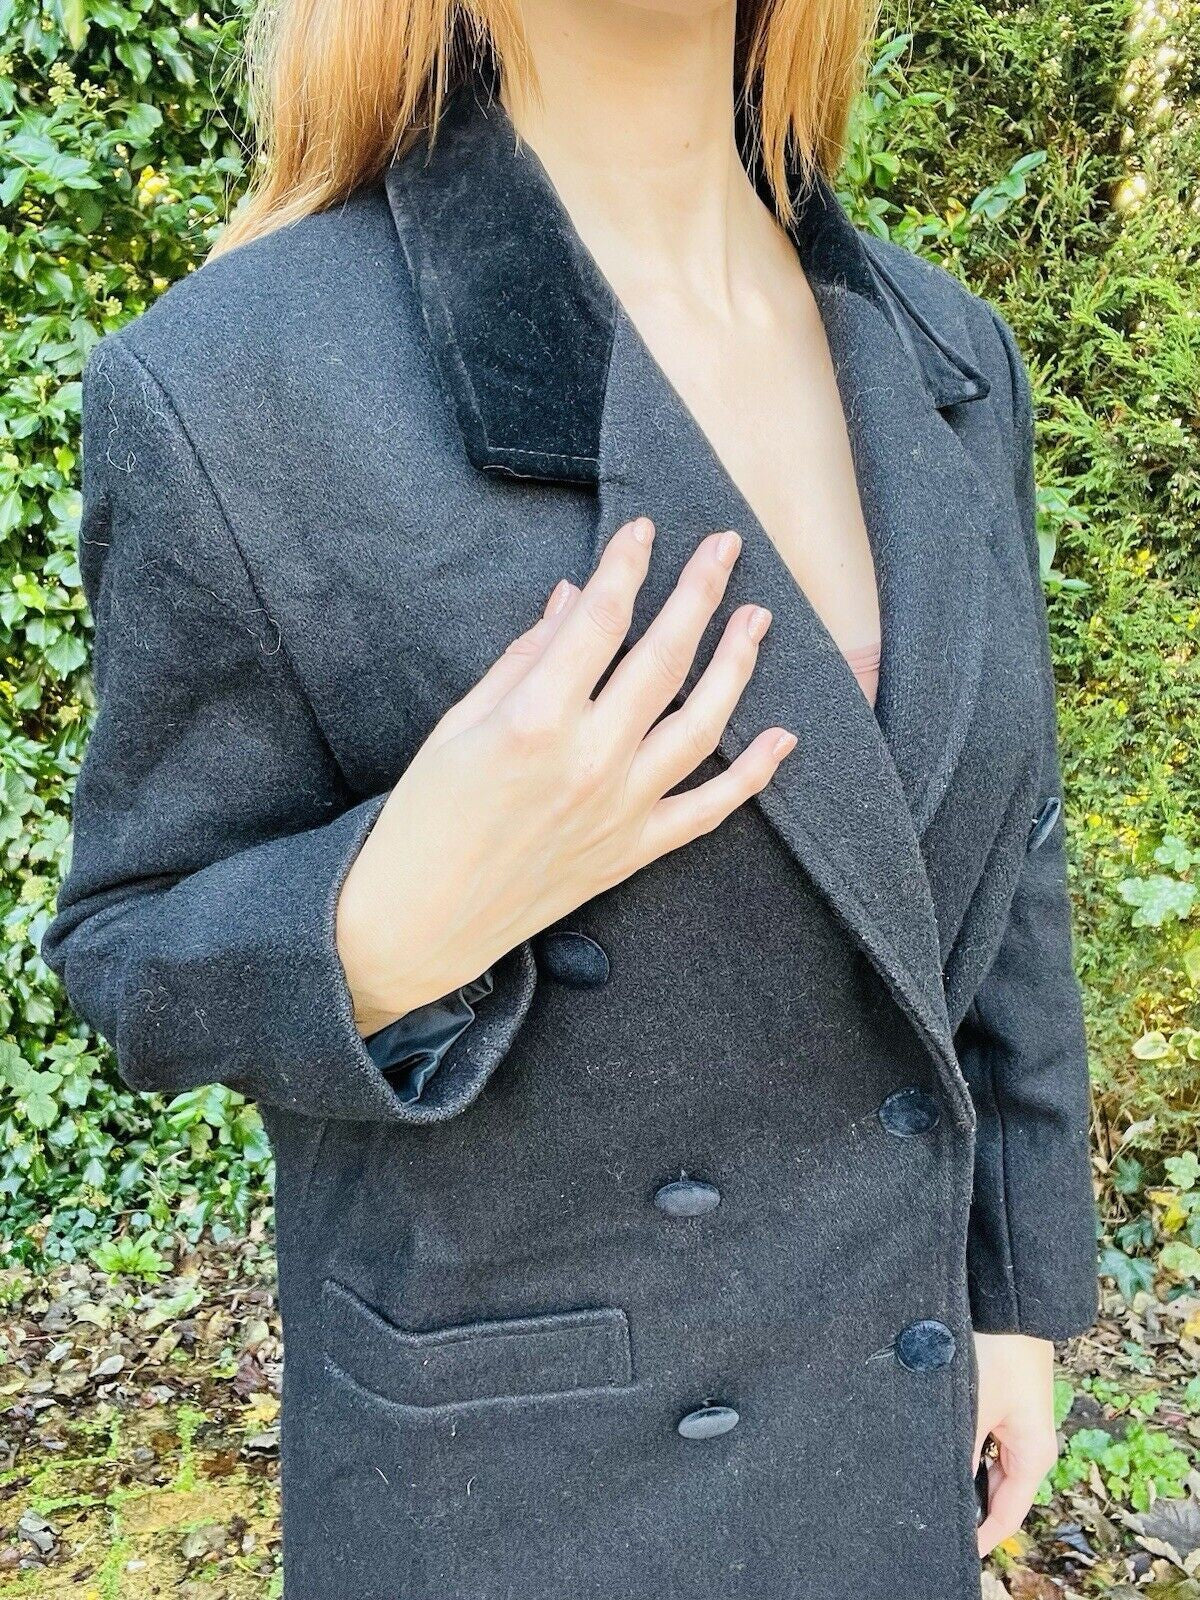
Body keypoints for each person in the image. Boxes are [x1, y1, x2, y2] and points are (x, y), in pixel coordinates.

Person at [42, 1, 1100, 1595]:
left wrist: (1012, 1298)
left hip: (886, 1410)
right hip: (521, 1495)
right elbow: (128, 951)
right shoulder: (231, 385)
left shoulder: (947, 355)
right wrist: (380, 925)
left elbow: (1011, 852)